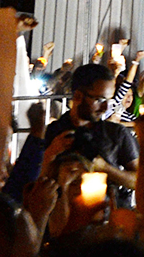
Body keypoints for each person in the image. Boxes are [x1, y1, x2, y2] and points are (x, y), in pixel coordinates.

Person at [44, 64, 139, 205]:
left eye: (109, 100)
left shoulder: (116, 133)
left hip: (106, 217)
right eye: (99, 100)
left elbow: (139, 180)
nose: (105, 107)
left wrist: (105, 169)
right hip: (60, 217)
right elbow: (31, 178)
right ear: (78, 96)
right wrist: (51, 154)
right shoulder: (54, 131)